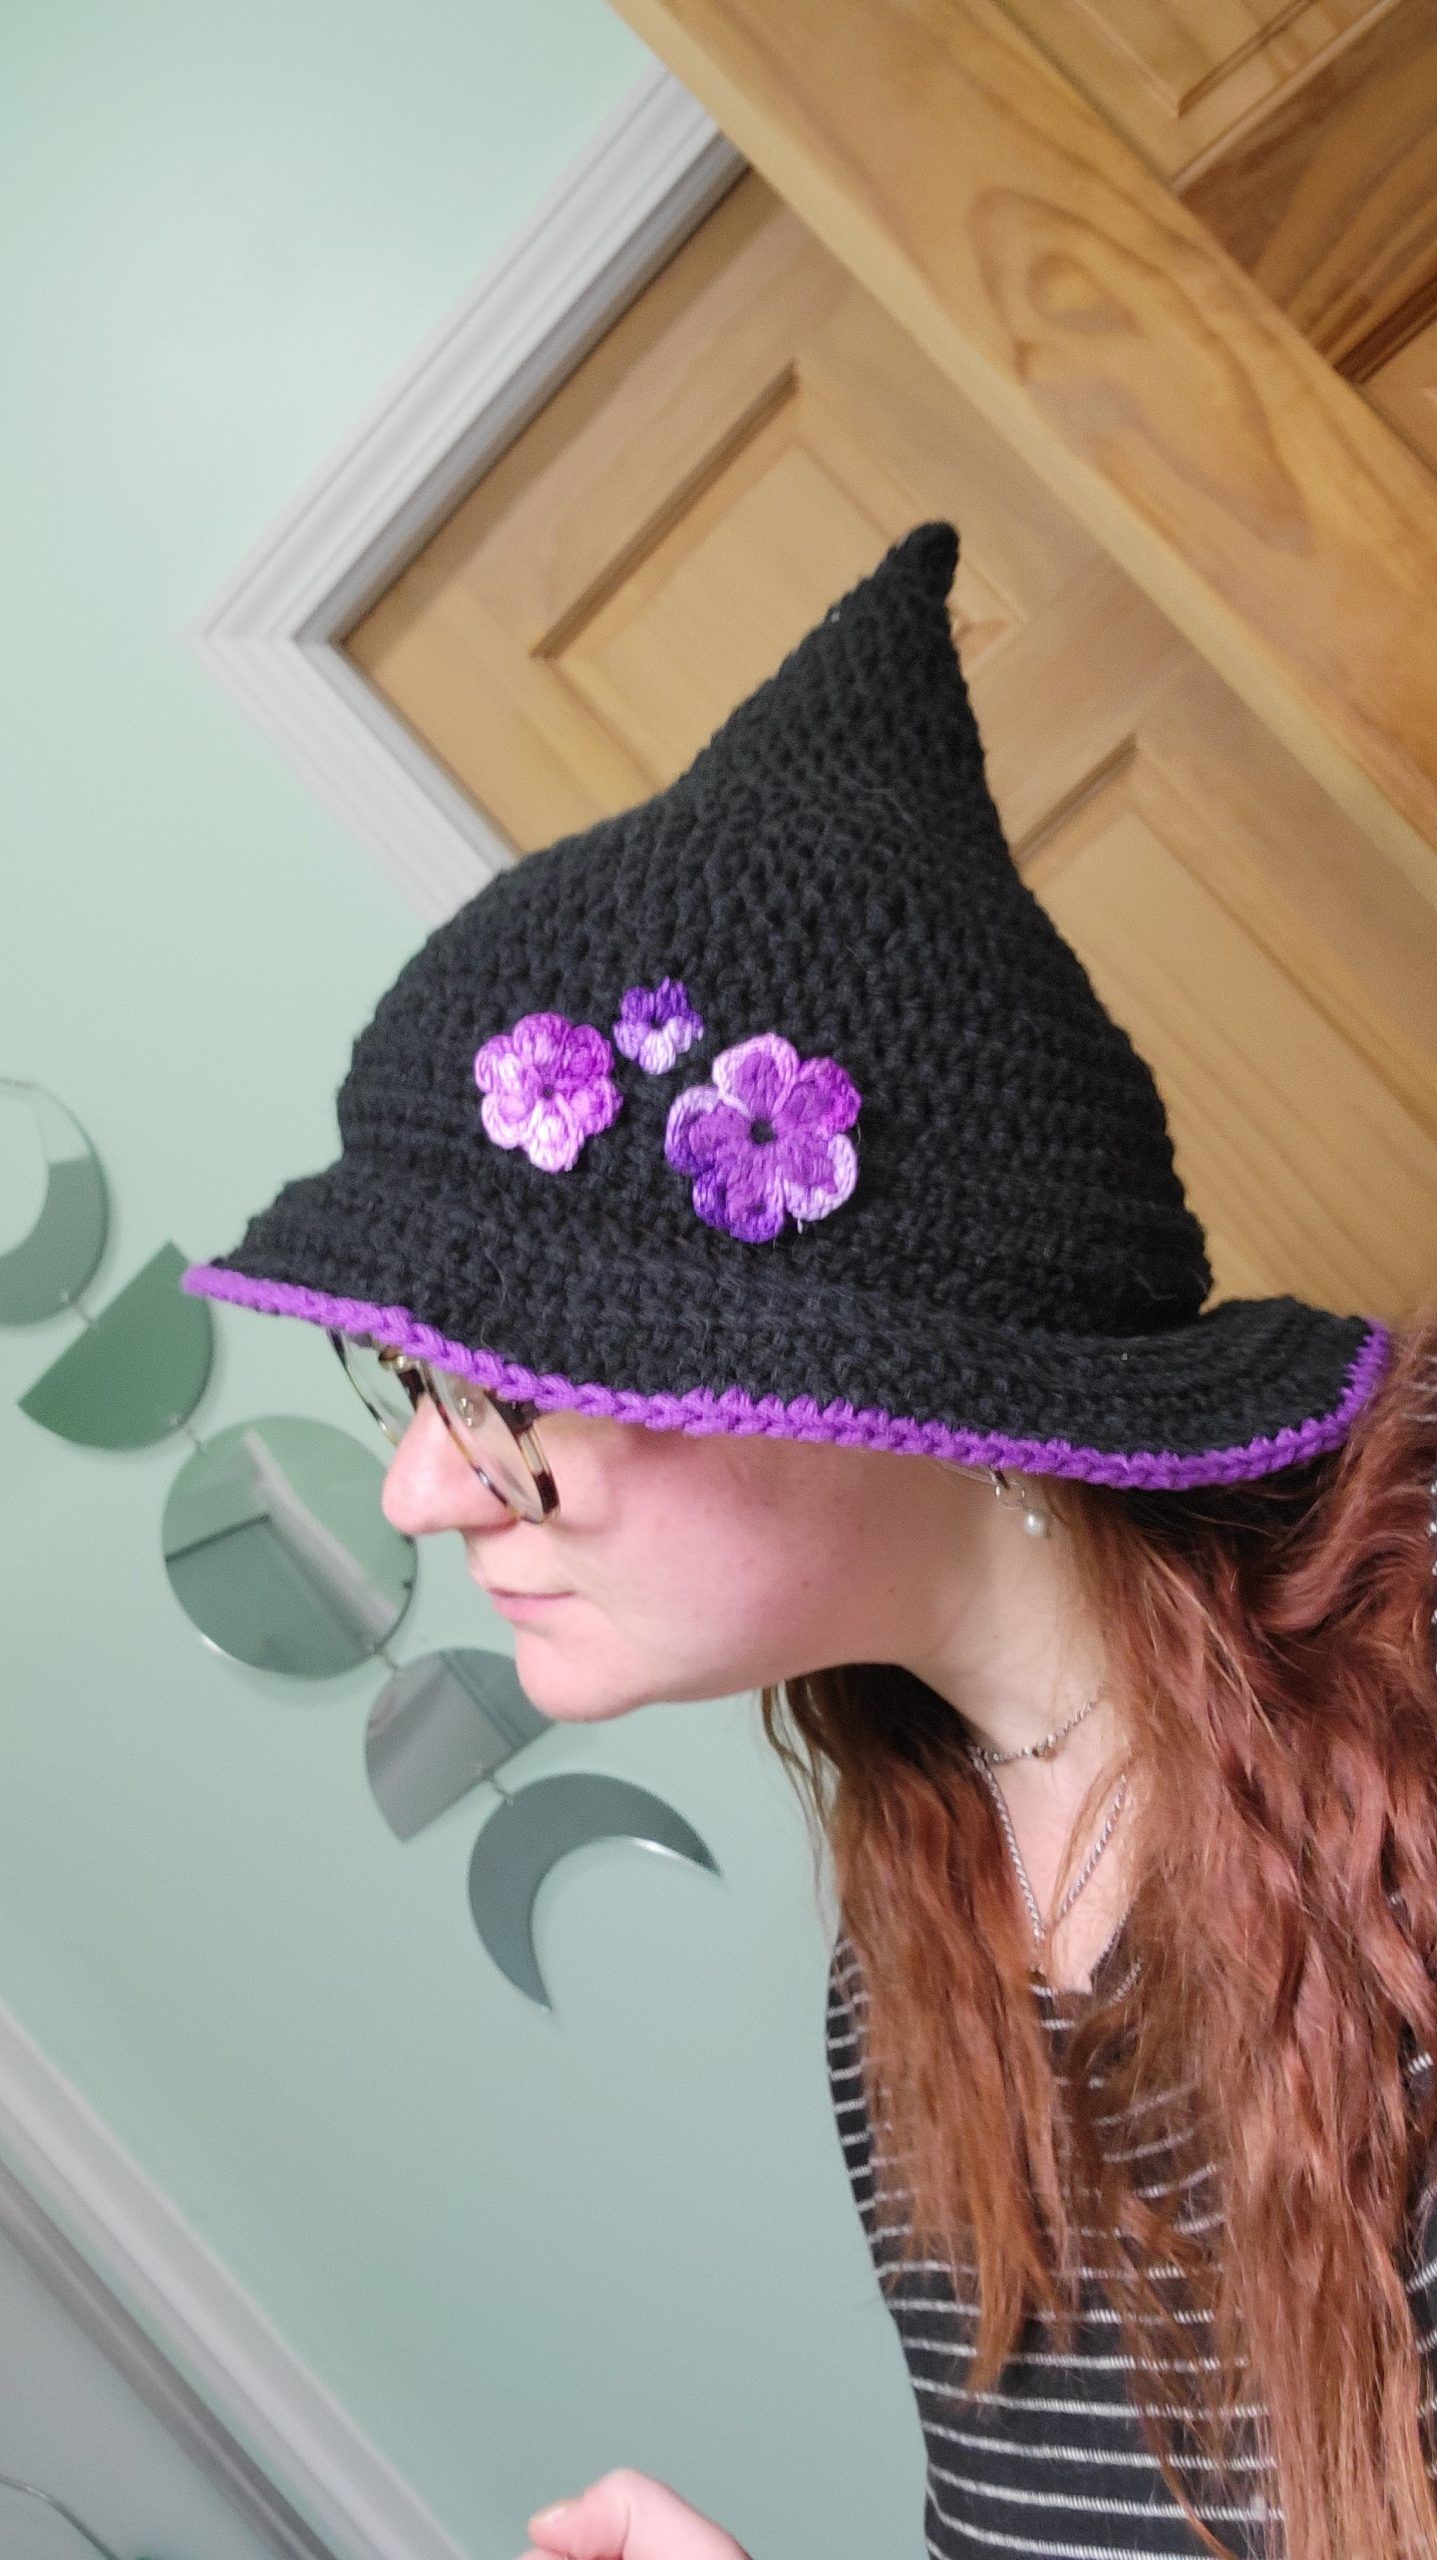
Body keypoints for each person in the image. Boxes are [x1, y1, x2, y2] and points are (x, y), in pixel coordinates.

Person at [181, 524, 1437, 2560]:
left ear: (827, 1357)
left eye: (494, 1388)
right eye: (407, 1385)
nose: (422, 1490)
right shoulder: (921, 1959)